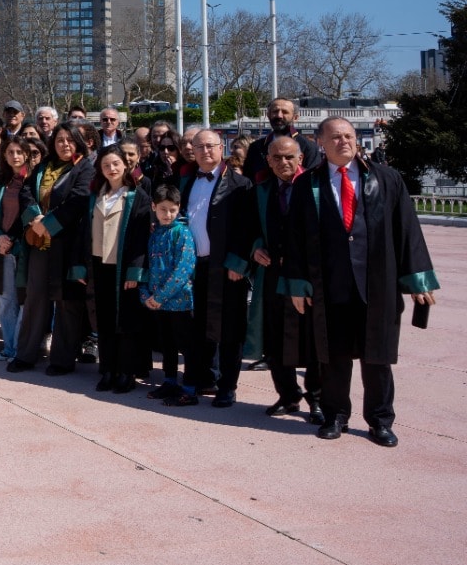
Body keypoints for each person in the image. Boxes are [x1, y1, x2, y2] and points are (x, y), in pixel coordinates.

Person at [283, 118, 439, 447]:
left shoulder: (387, 179)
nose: (344, 142)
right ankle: (335, 415)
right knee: (333, 357)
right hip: (330, 285)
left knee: (378, 357)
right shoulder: (307, 184)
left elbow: (407, 229)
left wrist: (418, 280)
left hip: (377, 285)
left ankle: (380, 420)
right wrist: (296, 282)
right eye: (335, 137)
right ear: (320, 142)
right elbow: (294, 237)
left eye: (349, 136)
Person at [244, 136, 324, 422]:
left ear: (300, 158)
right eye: (276, 157)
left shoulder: (317, 188)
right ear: (268, 160)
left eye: (289, 157)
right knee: (275, 338)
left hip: (308, 275)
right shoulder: (261, 190)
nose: (283, 162)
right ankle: (288, 395)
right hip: (273, 274)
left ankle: (317, 398)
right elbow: (250, 228)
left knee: (313, 339)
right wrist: (256, 248)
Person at [180, 128, 254, 407]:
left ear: (222, 148)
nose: (205, 151)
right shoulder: (187, 181)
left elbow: (247, 228)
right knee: (198, 326)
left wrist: (238, 263)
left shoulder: (240, 184)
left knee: (230, 329)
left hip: (226, 267)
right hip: (195, 267)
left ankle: (227, 386)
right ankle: (205, 378)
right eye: (199, 147)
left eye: (210, 146)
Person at [14, 125, 95, 375]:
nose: (64, 144)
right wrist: (35, 219)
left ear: (79, 142)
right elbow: (26, 193)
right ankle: (26, 355)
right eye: (60, 140)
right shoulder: (43, 166)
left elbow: (78, 201)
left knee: (67, 303)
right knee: (35, 298)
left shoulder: (85, 168)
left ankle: (61, 360)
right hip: (40, 243)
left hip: (68, 245)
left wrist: (48, 224)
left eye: (70, 140)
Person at [74, 144, 152, 393]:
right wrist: (80, 267)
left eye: (116, 163)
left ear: (126, 165)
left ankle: (126, 372)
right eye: (106, 165)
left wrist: (135, 271)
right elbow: (83, 233)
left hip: (124, 269)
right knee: (105, 320)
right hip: (99, 265)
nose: (111, 168)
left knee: (126, 322)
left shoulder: (138, 196)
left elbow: (141, 238)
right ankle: (108, 369)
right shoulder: (95, 195)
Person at [142, 184, 199, 406]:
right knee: (167, 344)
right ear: (154, 207)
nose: (168, 214)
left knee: (187, 345)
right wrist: (146, 295)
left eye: (172, 210)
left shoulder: (182, 233)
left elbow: (183, 269)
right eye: (163, 209)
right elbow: (147, 266)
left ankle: (190, 388)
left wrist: (160, 296)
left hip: (180, 302)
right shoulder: (154, 234)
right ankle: (169, 381)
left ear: (179, 208)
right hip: (158, 303)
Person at [0, 136, 38, 363]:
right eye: (10, 152)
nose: (15, 156)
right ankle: (8, 348)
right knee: (6, 299)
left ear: (26, 154)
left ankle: (20, 348)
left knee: (25, 300)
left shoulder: (33, 179)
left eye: (19, 152)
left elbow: (32, 212)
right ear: (4, 156)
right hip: (3, 248)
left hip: (25, 248)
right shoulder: (0, 182)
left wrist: (13, 240)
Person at [243, 98, 323, 182]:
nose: (279, 116)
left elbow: (313, 181)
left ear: (295, 117)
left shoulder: (308, 147)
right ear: (268, 115)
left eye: (285, 112)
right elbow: (248, 180)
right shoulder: (256, 147)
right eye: (275, 111)